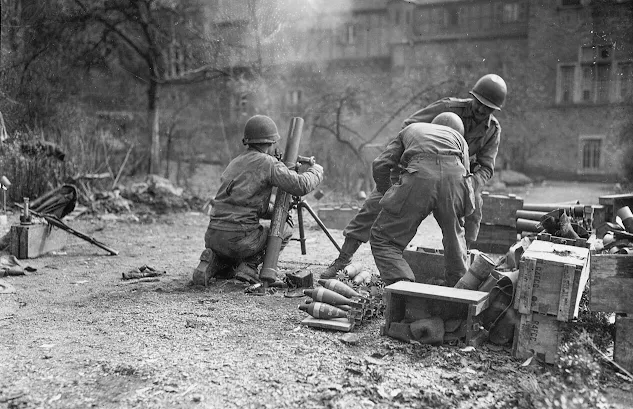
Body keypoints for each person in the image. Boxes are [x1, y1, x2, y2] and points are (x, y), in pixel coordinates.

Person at [320, 74, 506, 279]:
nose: (481, 111)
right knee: (375, 203)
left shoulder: (493, 130)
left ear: (495, 110)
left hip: (458, 174)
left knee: (473, 211)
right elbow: (410, 126)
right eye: (478, 104)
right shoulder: (448, 107)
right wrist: (401, 172)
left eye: (487, 108)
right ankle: (343, 259)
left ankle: (462, 265)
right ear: (472, 97)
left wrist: (470, 184)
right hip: (415, 164)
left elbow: (486, 168)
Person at [193, 114, 324, 286]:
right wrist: (316, 171)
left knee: (229, 261)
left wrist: (271, 211)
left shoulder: (235, 162)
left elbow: (246, 204)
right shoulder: (267, 163)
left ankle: (214, 261)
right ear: (271, 142)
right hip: (240, 240)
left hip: (213, 237)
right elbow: (300, 186)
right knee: (284, 227)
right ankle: (250, 266)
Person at [369, 112, 473, 286]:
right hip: (455, 177)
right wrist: (457, 218)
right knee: (454, 238)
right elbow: (466, 176)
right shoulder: (459, 139)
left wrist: (389, 193)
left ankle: (402, 284)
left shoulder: (412, 128)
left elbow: (380, 164)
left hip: (420, 174)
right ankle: (459, 288)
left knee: (383, 238)